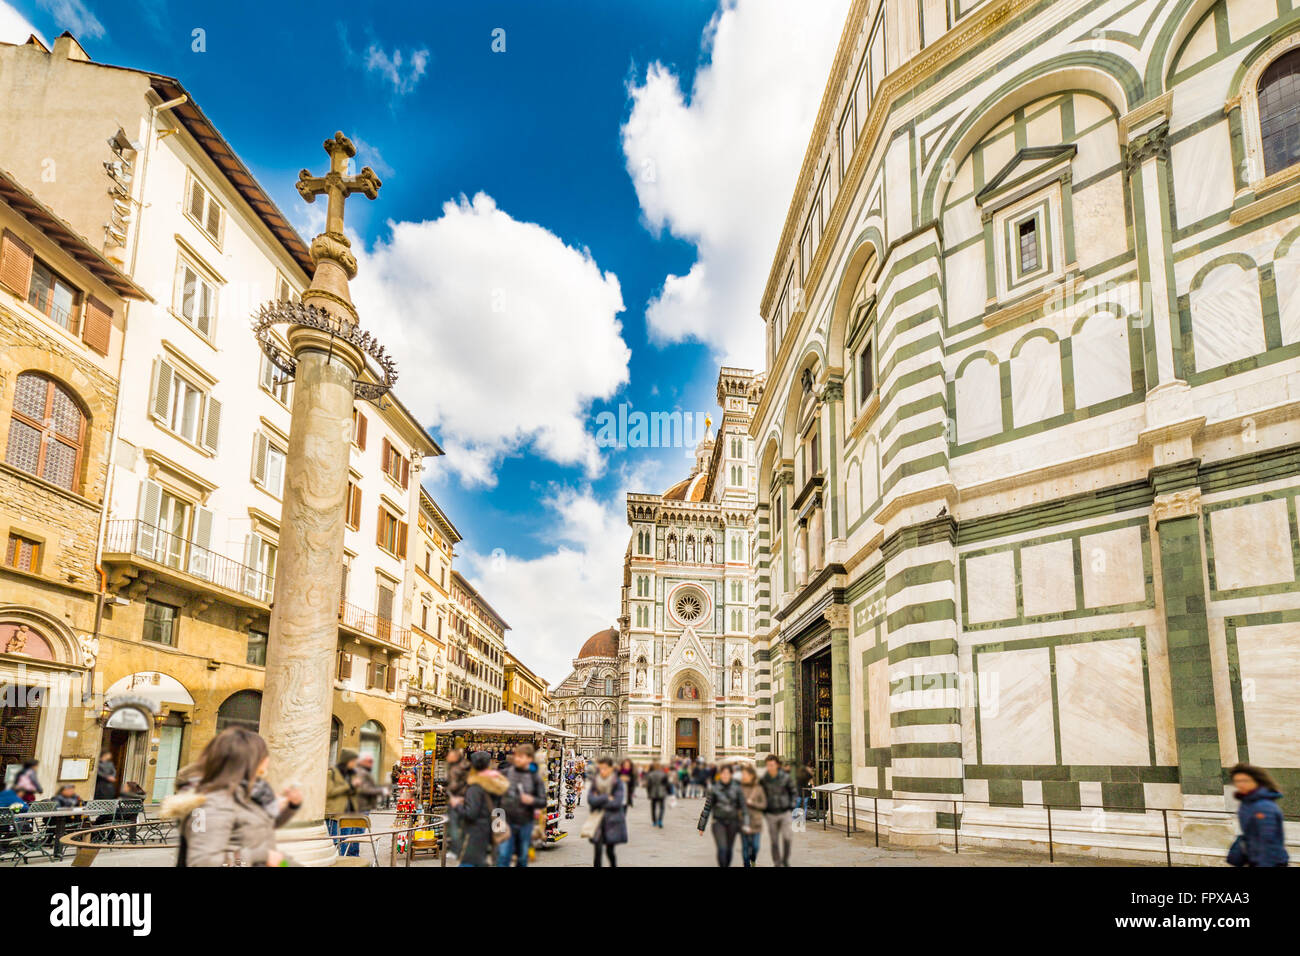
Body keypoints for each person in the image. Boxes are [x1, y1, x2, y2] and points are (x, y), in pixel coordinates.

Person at [160, 726, 302, 867]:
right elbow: (203, 862)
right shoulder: (213, 803)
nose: (268, 759)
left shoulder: (246, 794)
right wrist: (261, 856)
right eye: (264, 754)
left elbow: (260, 829)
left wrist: (292, 806)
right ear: (250, 760)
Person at [1227, 762, 1289, 867]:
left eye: (1245, 781)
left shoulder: (1263, 806)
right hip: (1256, 859)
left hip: (1269, 861)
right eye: (1237, 781)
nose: (1240, 784)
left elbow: (1267, 840)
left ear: (1257, 781)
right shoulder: (1247, 802)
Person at [498, 743, 546, 867]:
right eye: (517, 756)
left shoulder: (535, 778)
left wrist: (532, 800)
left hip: (525, 823)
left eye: (521, 757)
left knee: (522, 858)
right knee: (503, 856)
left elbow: (542, 801)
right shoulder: (505, 773)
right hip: (506, 822)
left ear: (529, 759)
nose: (517, 759)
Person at [459, 751, 508, 867]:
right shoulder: (498, 781)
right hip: (496, 825)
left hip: (479, 830)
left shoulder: (475, 785)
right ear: (489, 763)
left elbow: (471, 813)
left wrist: (458, 807)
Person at [697, 763, 746, 866]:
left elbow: (743, 807)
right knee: (722, 848)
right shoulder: (713, 789)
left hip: (733, 823)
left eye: (727, 773)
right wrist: (701, 826)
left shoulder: (737, 789)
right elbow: (707, 808)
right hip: (718, 823)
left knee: (729, 849)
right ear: (720, 775)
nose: (725, 775)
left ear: (731, 775)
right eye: (723, 773)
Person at [586, 756, 628, 867]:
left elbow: (617, 803)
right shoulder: (596, 782)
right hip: (597, 821)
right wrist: (606, 797)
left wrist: (598, 799)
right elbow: (590, 800)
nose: (602, 771)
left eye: (604, 768)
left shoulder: (617, 783)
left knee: (610, 852)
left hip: (612, 821)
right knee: (597, 852)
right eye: (600, 768)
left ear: (611, 768)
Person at [759, 754, 798, 867]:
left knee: (787, 837)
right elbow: (760, 795)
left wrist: (791, 806)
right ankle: (777, 862)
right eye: (768, 765)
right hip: (771, 814)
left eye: (772, 765)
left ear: (777, 765)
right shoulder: (764, 780)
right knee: (774, 841)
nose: (770, 767)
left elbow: (793, 792)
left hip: (785, 812)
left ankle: (785, 860)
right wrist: (764, 809)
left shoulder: (785, 778)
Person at [325, 748, 359, 857]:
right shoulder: (331, 773)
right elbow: (329, 792)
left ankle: (344, 862)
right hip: (334, 815)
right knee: (334, 843)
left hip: (348, 813)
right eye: (353, 761)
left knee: (345, 843)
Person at [738, 764, 767, 866]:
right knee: (745, 848)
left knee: (755, 847)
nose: (744, 776)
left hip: (756, 823)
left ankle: (753, 858)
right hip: (743, 822)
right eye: (743, 774)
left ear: (752, 775)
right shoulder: (739, 789)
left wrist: (752, 803)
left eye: (746, 774)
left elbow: (764, 805)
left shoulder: (758, 788)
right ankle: (747, 864)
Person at [443, 748, 469, 859]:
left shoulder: (459, 768)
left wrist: (457, 797)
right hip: (459, 800)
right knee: (458, 826)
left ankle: (456, 851)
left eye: (448, 755)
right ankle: (459, 850)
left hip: (457, 801)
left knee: (454, 826)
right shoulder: (459, 766)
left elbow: (456, 785)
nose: (446, 758)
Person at [644, 760, 669, 828]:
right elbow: (667, 784)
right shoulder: (663, 774)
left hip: (653, 792)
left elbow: (648, 785)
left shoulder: (650, 774)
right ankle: (660, 820)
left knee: (653, 808)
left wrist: (648, 794)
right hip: (662, 792)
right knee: (661, 807)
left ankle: (654, 821)